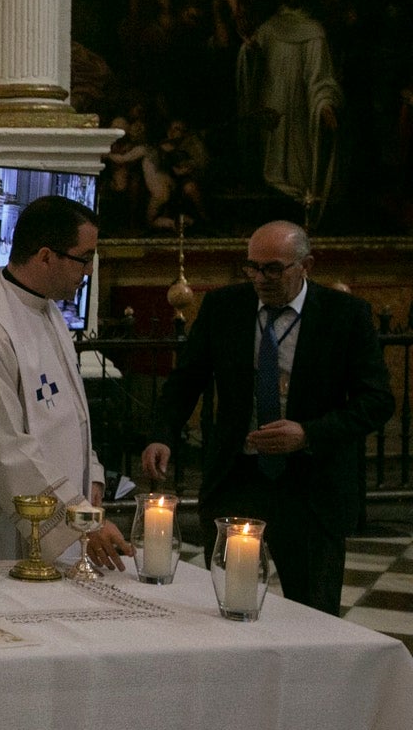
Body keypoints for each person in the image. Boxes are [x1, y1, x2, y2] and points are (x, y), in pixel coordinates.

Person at [141, 221, 393, 615]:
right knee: (228, 607)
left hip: (311, 487)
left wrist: (308, 433)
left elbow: (377, 401)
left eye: (273, 269)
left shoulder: (345, 315)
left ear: (305, 264)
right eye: (252, 267)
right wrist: (162, 435)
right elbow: (185, 381)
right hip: (238, 479)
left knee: (312, 612)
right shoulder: (225, 308)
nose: (260, 278)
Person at [0, 196, 132, 568]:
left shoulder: (48, 312)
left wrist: (90, 478)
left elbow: (70, 414)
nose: (89, 270)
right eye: (84, 257)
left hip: (62, 509)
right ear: (45, 256)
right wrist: (79, 519)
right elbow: (3, 448)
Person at [237, 0, 343, 212]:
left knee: (297, 169)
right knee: (270, 159)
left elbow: (321, 77)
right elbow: (253, 62)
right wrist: (249, 52)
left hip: (299, 108)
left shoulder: (315, 32)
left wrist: (325, 103)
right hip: (270, 100)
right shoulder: (269, 26)